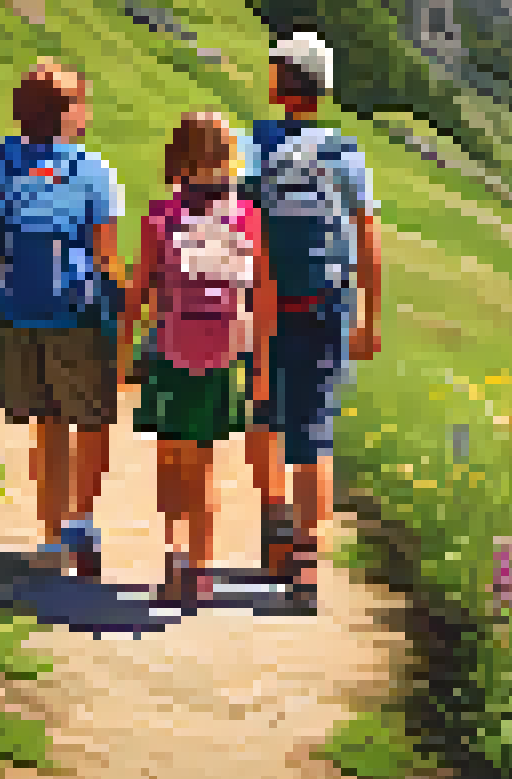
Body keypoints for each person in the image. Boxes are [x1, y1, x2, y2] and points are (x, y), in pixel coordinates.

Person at [0, 59, 125, 581]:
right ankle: (83, 524)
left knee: (47, 423)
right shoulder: (95, 171)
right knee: (93, 420)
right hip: (78, 313)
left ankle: (53, 538)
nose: (88, 112)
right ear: (66, 112)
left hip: (17, 311)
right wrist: (128, 321)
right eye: (82, 102)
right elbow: (106, 258)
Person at [242, 32, 382, 612]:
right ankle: (306, 562)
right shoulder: (345, 153)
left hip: (265, 307)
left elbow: (236, 220)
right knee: (313, 433)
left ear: (287, 81)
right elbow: (367, 237)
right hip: (328, 304)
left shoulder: (255, 144)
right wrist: (369, 316)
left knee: (264, 419)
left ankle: (277, 526)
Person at [117, 111, 275, 610]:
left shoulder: (162, 215)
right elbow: (262, 296)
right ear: (230, 159)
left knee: (170, 459)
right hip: (224, 355)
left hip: (171, 351)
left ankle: (175, 558)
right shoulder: (248, 216)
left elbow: (139, 290)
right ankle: (199, 570)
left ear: (177, 158)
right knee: (203, 465)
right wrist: (261, 365)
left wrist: (122, 349)